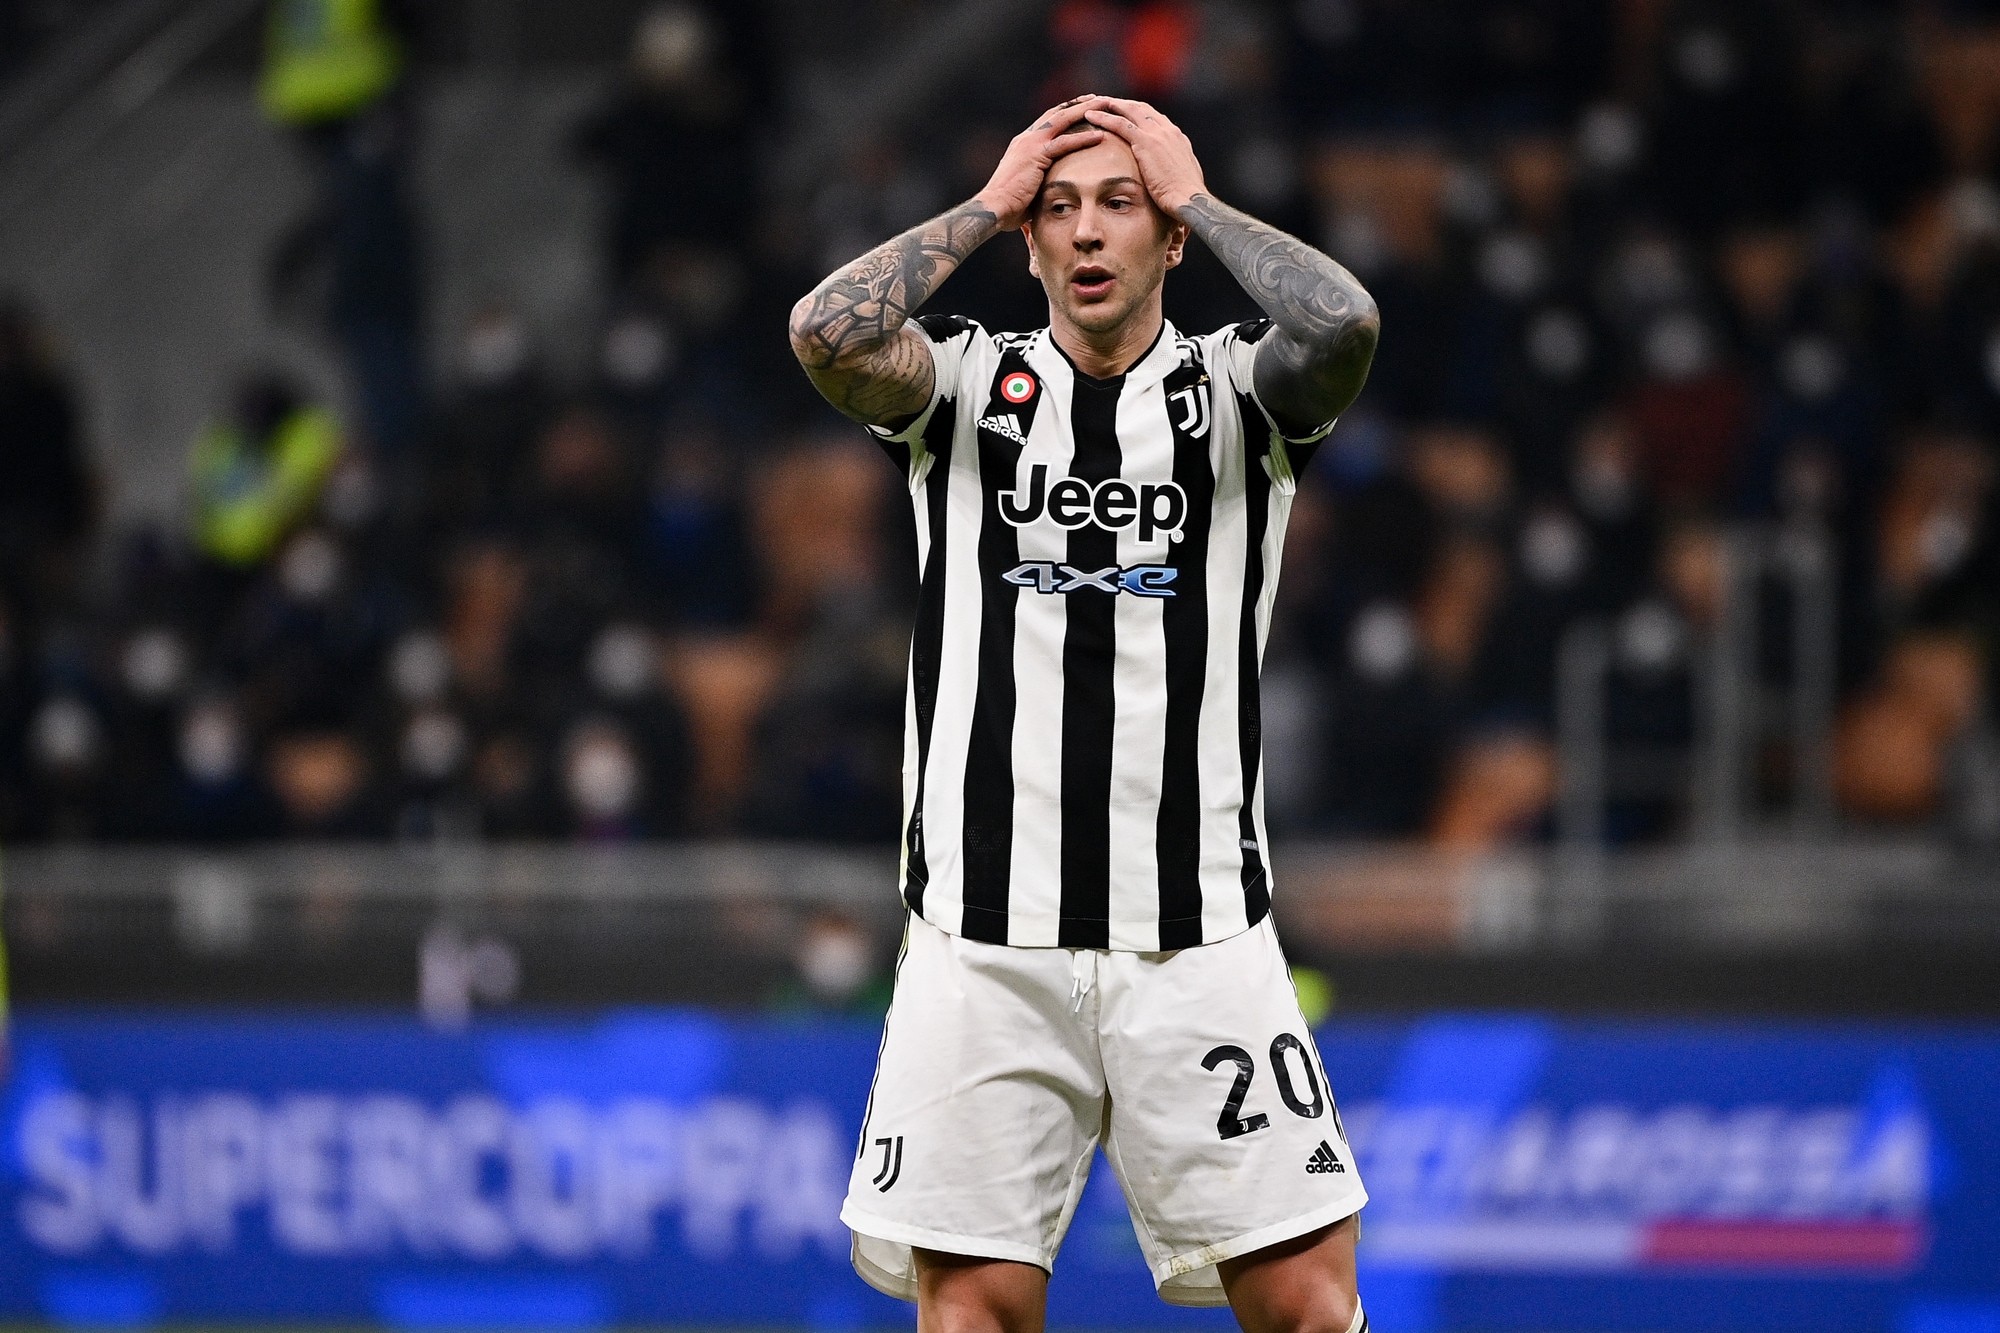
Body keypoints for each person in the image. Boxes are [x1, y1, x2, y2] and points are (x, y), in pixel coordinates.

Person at [788, 95, 1379, 1333]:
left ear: (1170, 239)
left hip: (1196, 933)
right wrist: (987, 202)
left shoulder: (1235, 391)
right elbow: (822, 333)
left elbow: (1343, 324)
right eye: (1059, 210)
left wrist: (1197, 193)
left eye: (1120, 204)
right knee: (972, 1310)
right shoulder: (964, 383)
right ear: (1031, 242)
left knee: (1307, 1304)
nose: (1087, 231)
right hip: (983, 939)